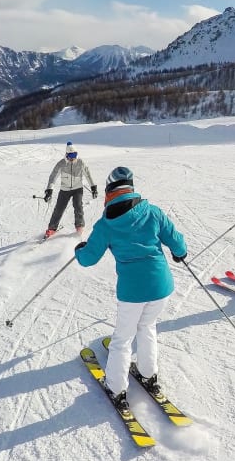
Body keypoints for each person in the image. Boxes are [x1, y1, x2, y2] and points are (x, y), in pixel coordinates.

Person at [74, 166, 187, 410]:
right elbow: (176, 240)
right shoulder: (152, 212)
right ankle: (148, 373)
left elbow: (88, 259)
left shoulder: (106, 224)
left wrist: (80, 250)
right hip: (161, 286)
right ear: (130, 187)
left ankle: (116, 387)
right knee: (147, 326)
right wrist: (180, 253)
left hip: (133, 292)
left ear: (109, 191)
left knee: (122, 339)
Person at [43, 141, 97, 238]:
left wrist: (93, 187)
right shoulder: (61, 164)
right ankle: (52, 228)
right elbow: (53, 177)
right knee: (59, 209)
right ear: (66, 154)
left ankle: (79, 226)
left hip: (78, 188)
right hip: (65, 189)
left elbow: (88, 174)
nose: (73, 157)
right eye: (71, 155)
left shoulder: (80, 162)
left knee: (78, 206)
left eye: (75, 154)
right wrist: (49, 189)